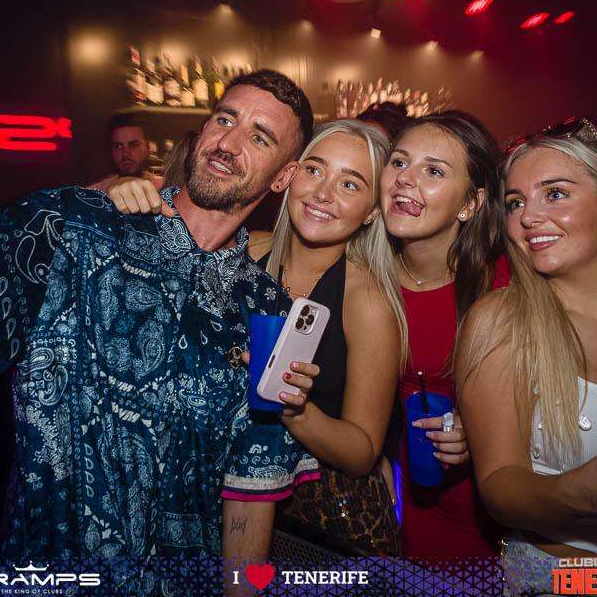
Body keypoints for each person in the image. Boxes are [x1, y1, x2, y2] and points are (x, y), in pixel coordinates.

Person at [0, 69, 318, 596]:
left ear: (283, 176)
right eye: (224, 120)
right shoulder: (76, 225)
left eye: (260, 138)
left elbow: (248, 496)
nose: (228, 143)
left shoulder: (267, 313)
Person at [108, 120, 409, 555]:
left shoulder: (367, 301)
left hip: (319, 529)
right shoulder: (244, 251)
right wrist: (123, 192)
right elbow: (168, 237)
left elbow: (363, 452)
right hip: (220, 503)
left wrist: (294, 410)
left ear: (372, 212)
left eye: (350, 184)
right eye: (314, 170)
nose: (323, 193)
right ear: (288, 176)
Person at [455, 118, 597, 595]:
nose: (528, 216)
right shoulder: (501, 321)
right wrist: (581, 493)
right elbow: (498, 487)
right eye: (515, 202)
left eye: (555, 194)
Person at [380, 111, 506, 560]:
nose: (404, 179)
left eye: (433, 171)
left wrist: (483, 431)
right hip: (413, 505)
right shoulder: (366, 280)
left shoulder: (503, 286)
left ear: (470, 204)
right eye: (399, 162)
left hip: (496, 517)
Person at [88, 113, 160, 192]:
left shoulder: (165, 190)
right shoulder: (95, 194)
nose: (125, 154)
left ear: (148, 147)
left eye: (134, 145)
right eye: (118, 146)